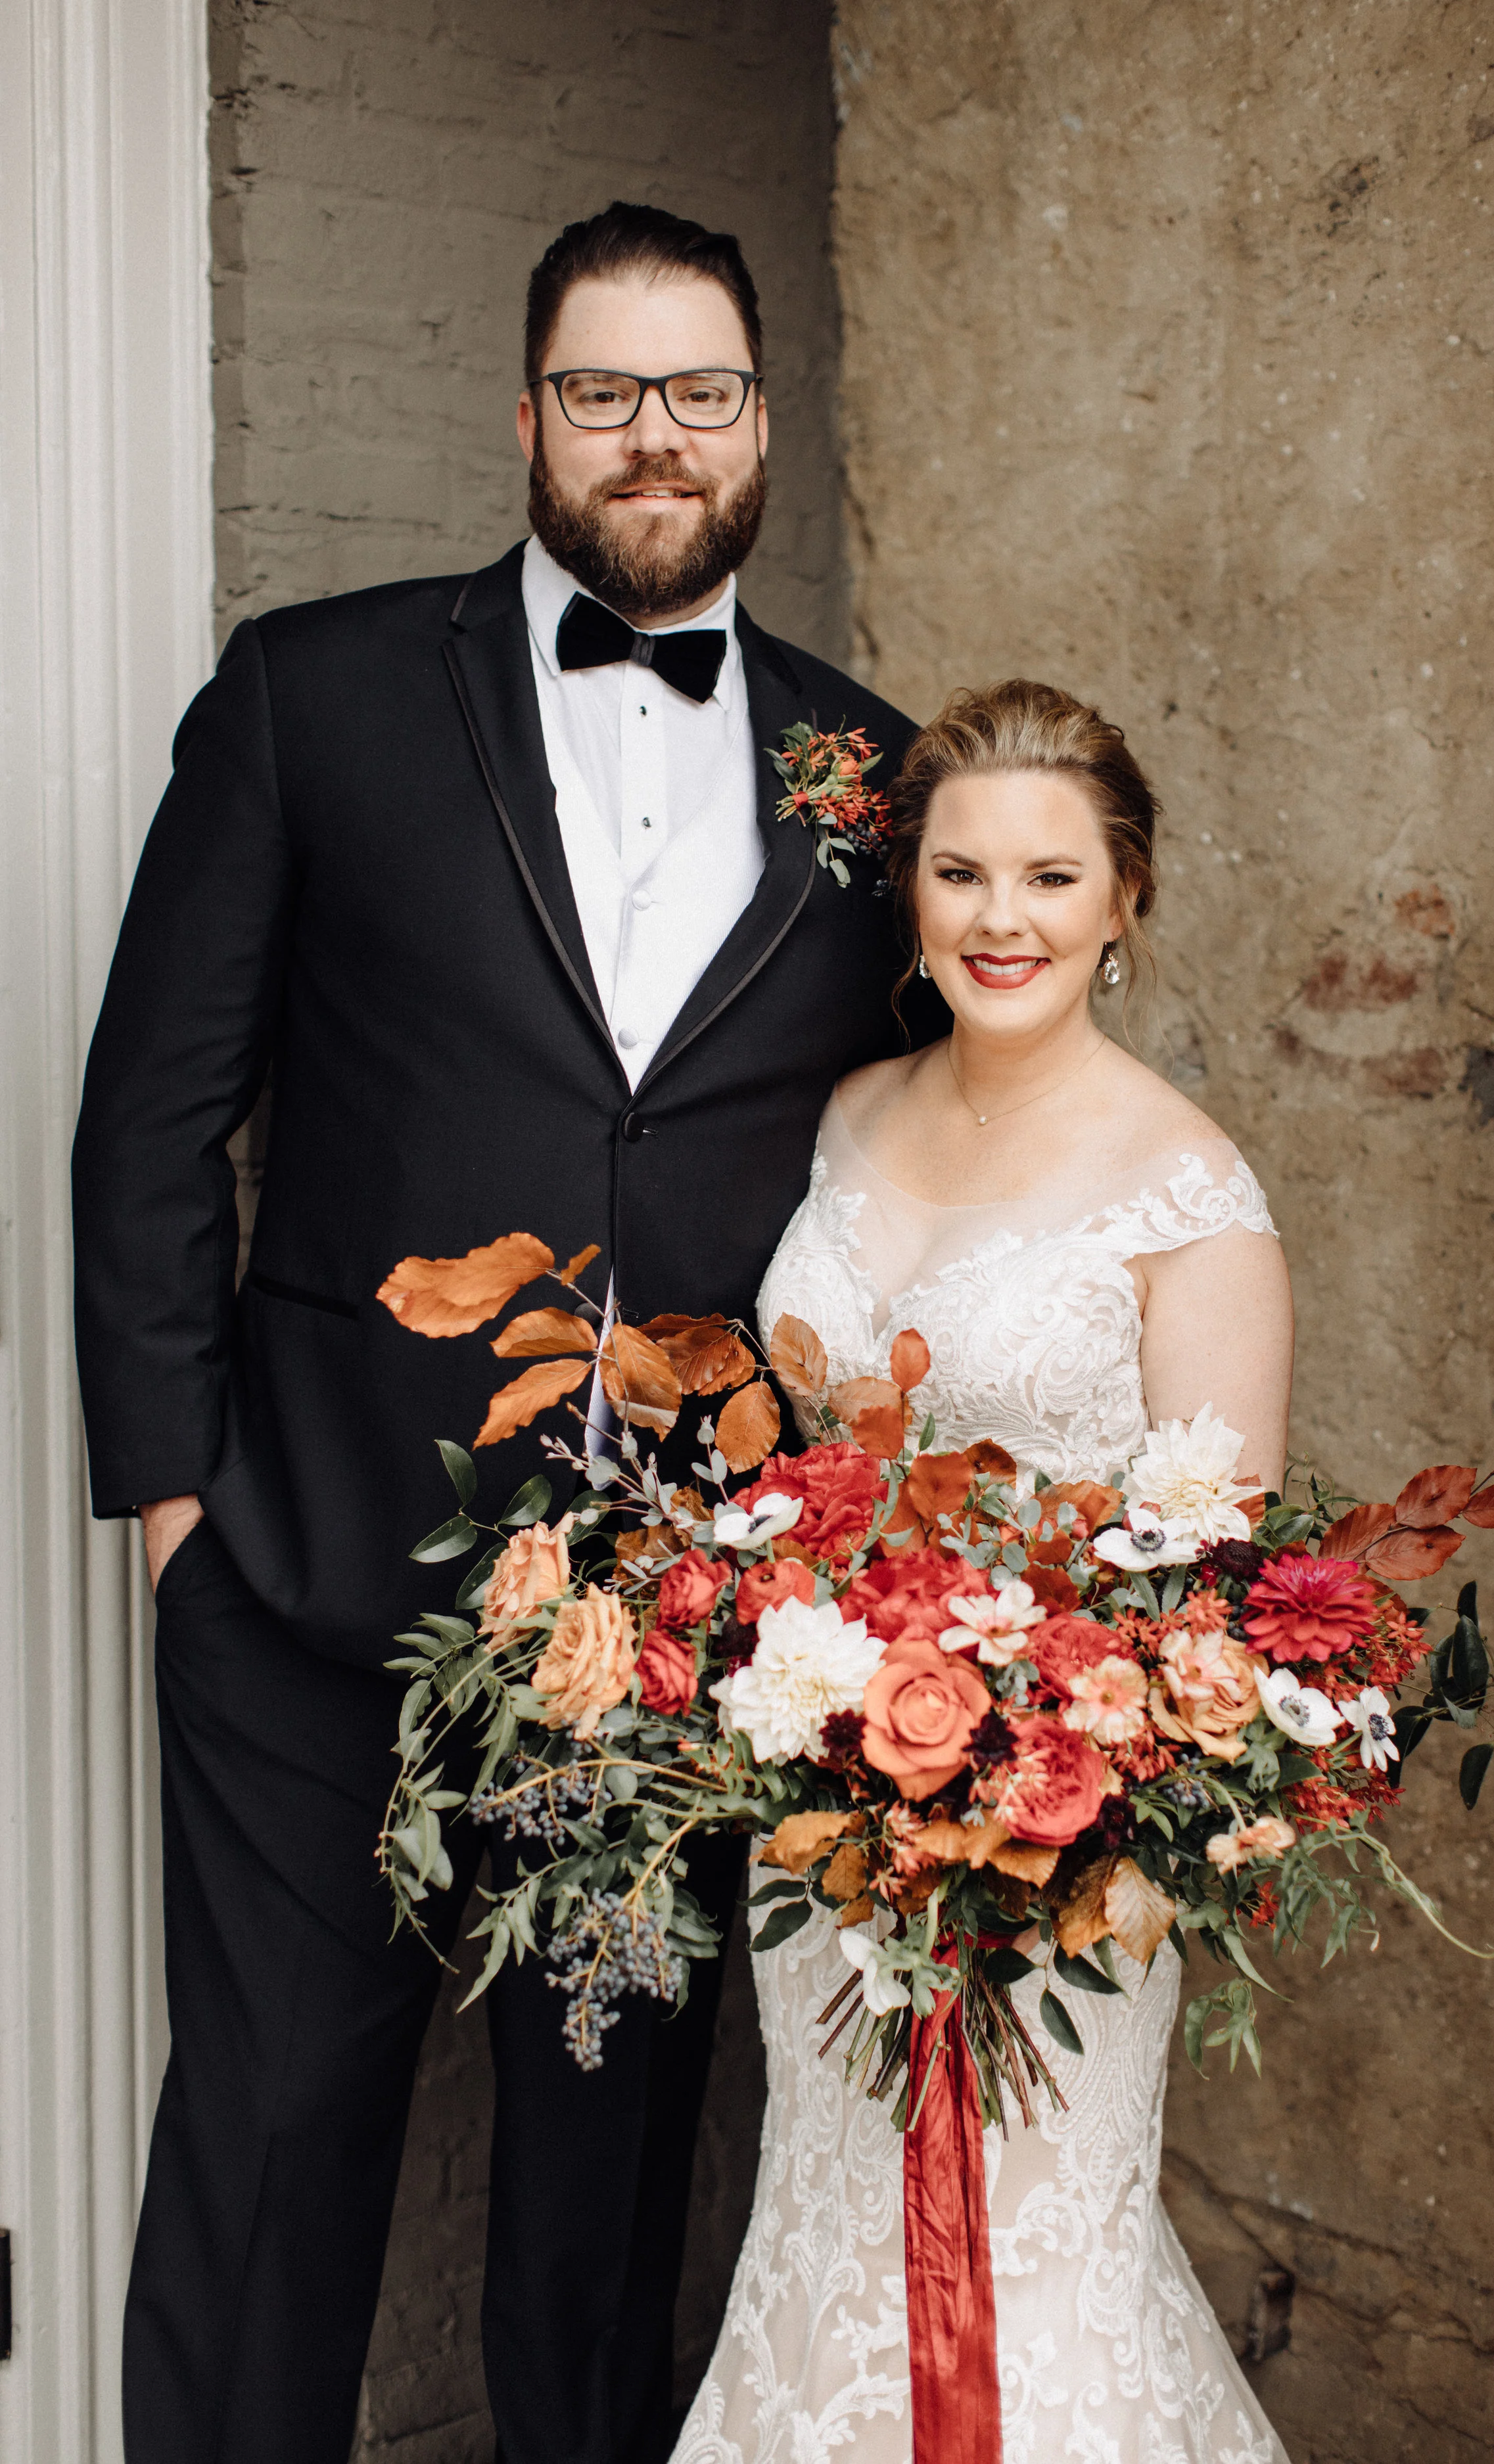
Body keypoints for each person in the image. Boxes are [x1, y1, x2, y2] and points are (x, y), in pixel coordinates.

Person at [72, 200, 938, 2464]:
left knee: (604, 2182)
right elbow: (154, 1111)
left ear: (763, 419)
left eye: (701, 392)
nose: (654, 438)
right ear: (528, 413)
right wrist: (178, 1501)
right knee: (272, 2153)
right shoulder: (317, 689)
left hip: (669, 1628)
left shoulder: (873, 775)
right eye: (602, 390)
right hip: (305, 1571)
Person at [674, 679, 1296, 2462]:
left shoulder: (1186, 1189)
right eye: (958, 874)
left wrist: (1077, 1817)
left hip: (1057, 1839)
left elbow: (1214, 1594)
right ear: (912, 889)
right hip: (814, 1805)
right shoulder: (848, 1111)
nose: (998, 918)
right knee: (826, 2229)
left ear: (1126, 897)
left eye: (1046, 876)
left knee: (1032, 2260)